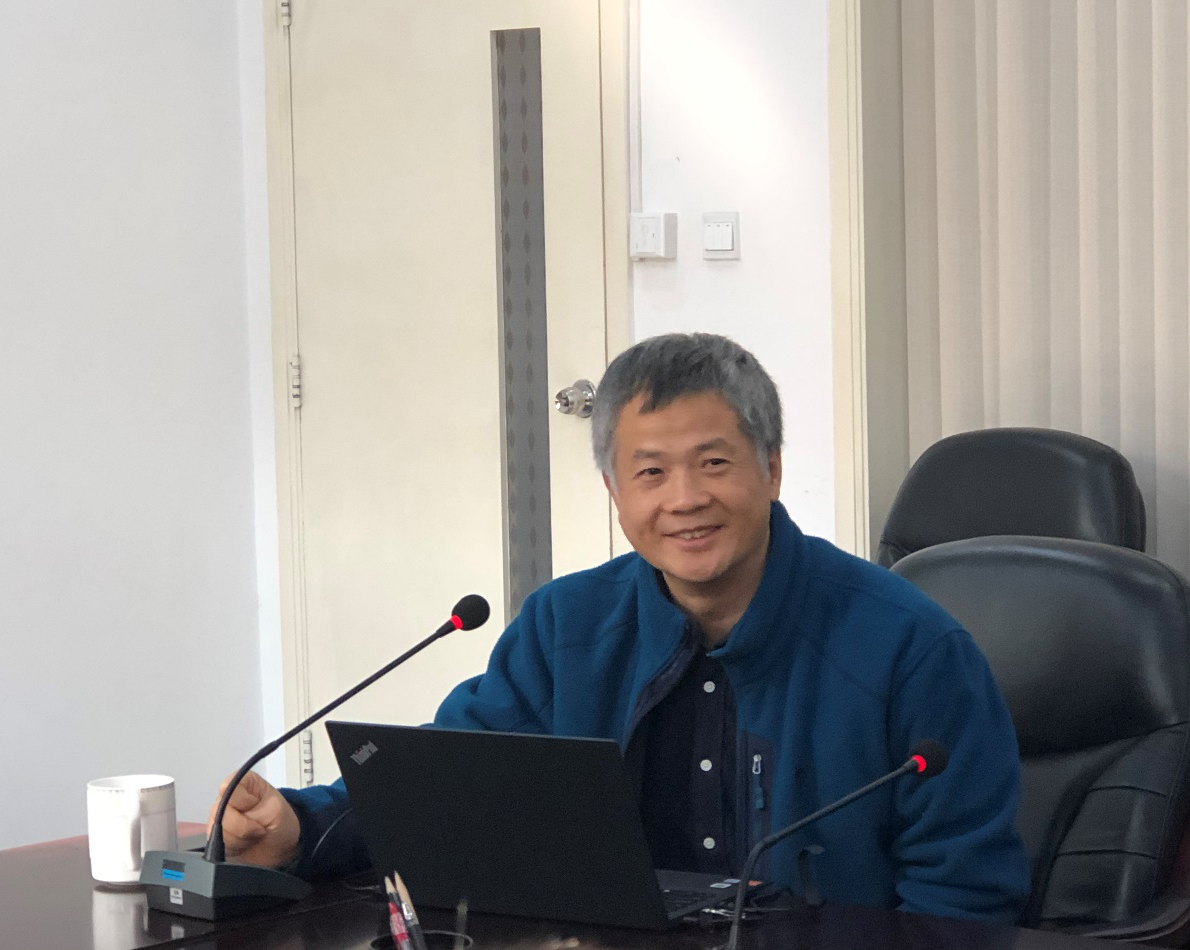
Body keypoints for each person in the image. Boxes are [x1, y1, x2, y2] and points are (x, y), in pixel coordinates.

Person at [209, 333, 1030, 923]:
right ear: (614, 492)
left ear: (772, 468)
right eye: (649, 472)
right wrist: (300, 827)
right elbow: (453, 786)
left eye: (713, 463)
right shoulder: (565, 626)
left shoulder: (912, 651)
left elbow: (962, 902)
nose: (683, 499)